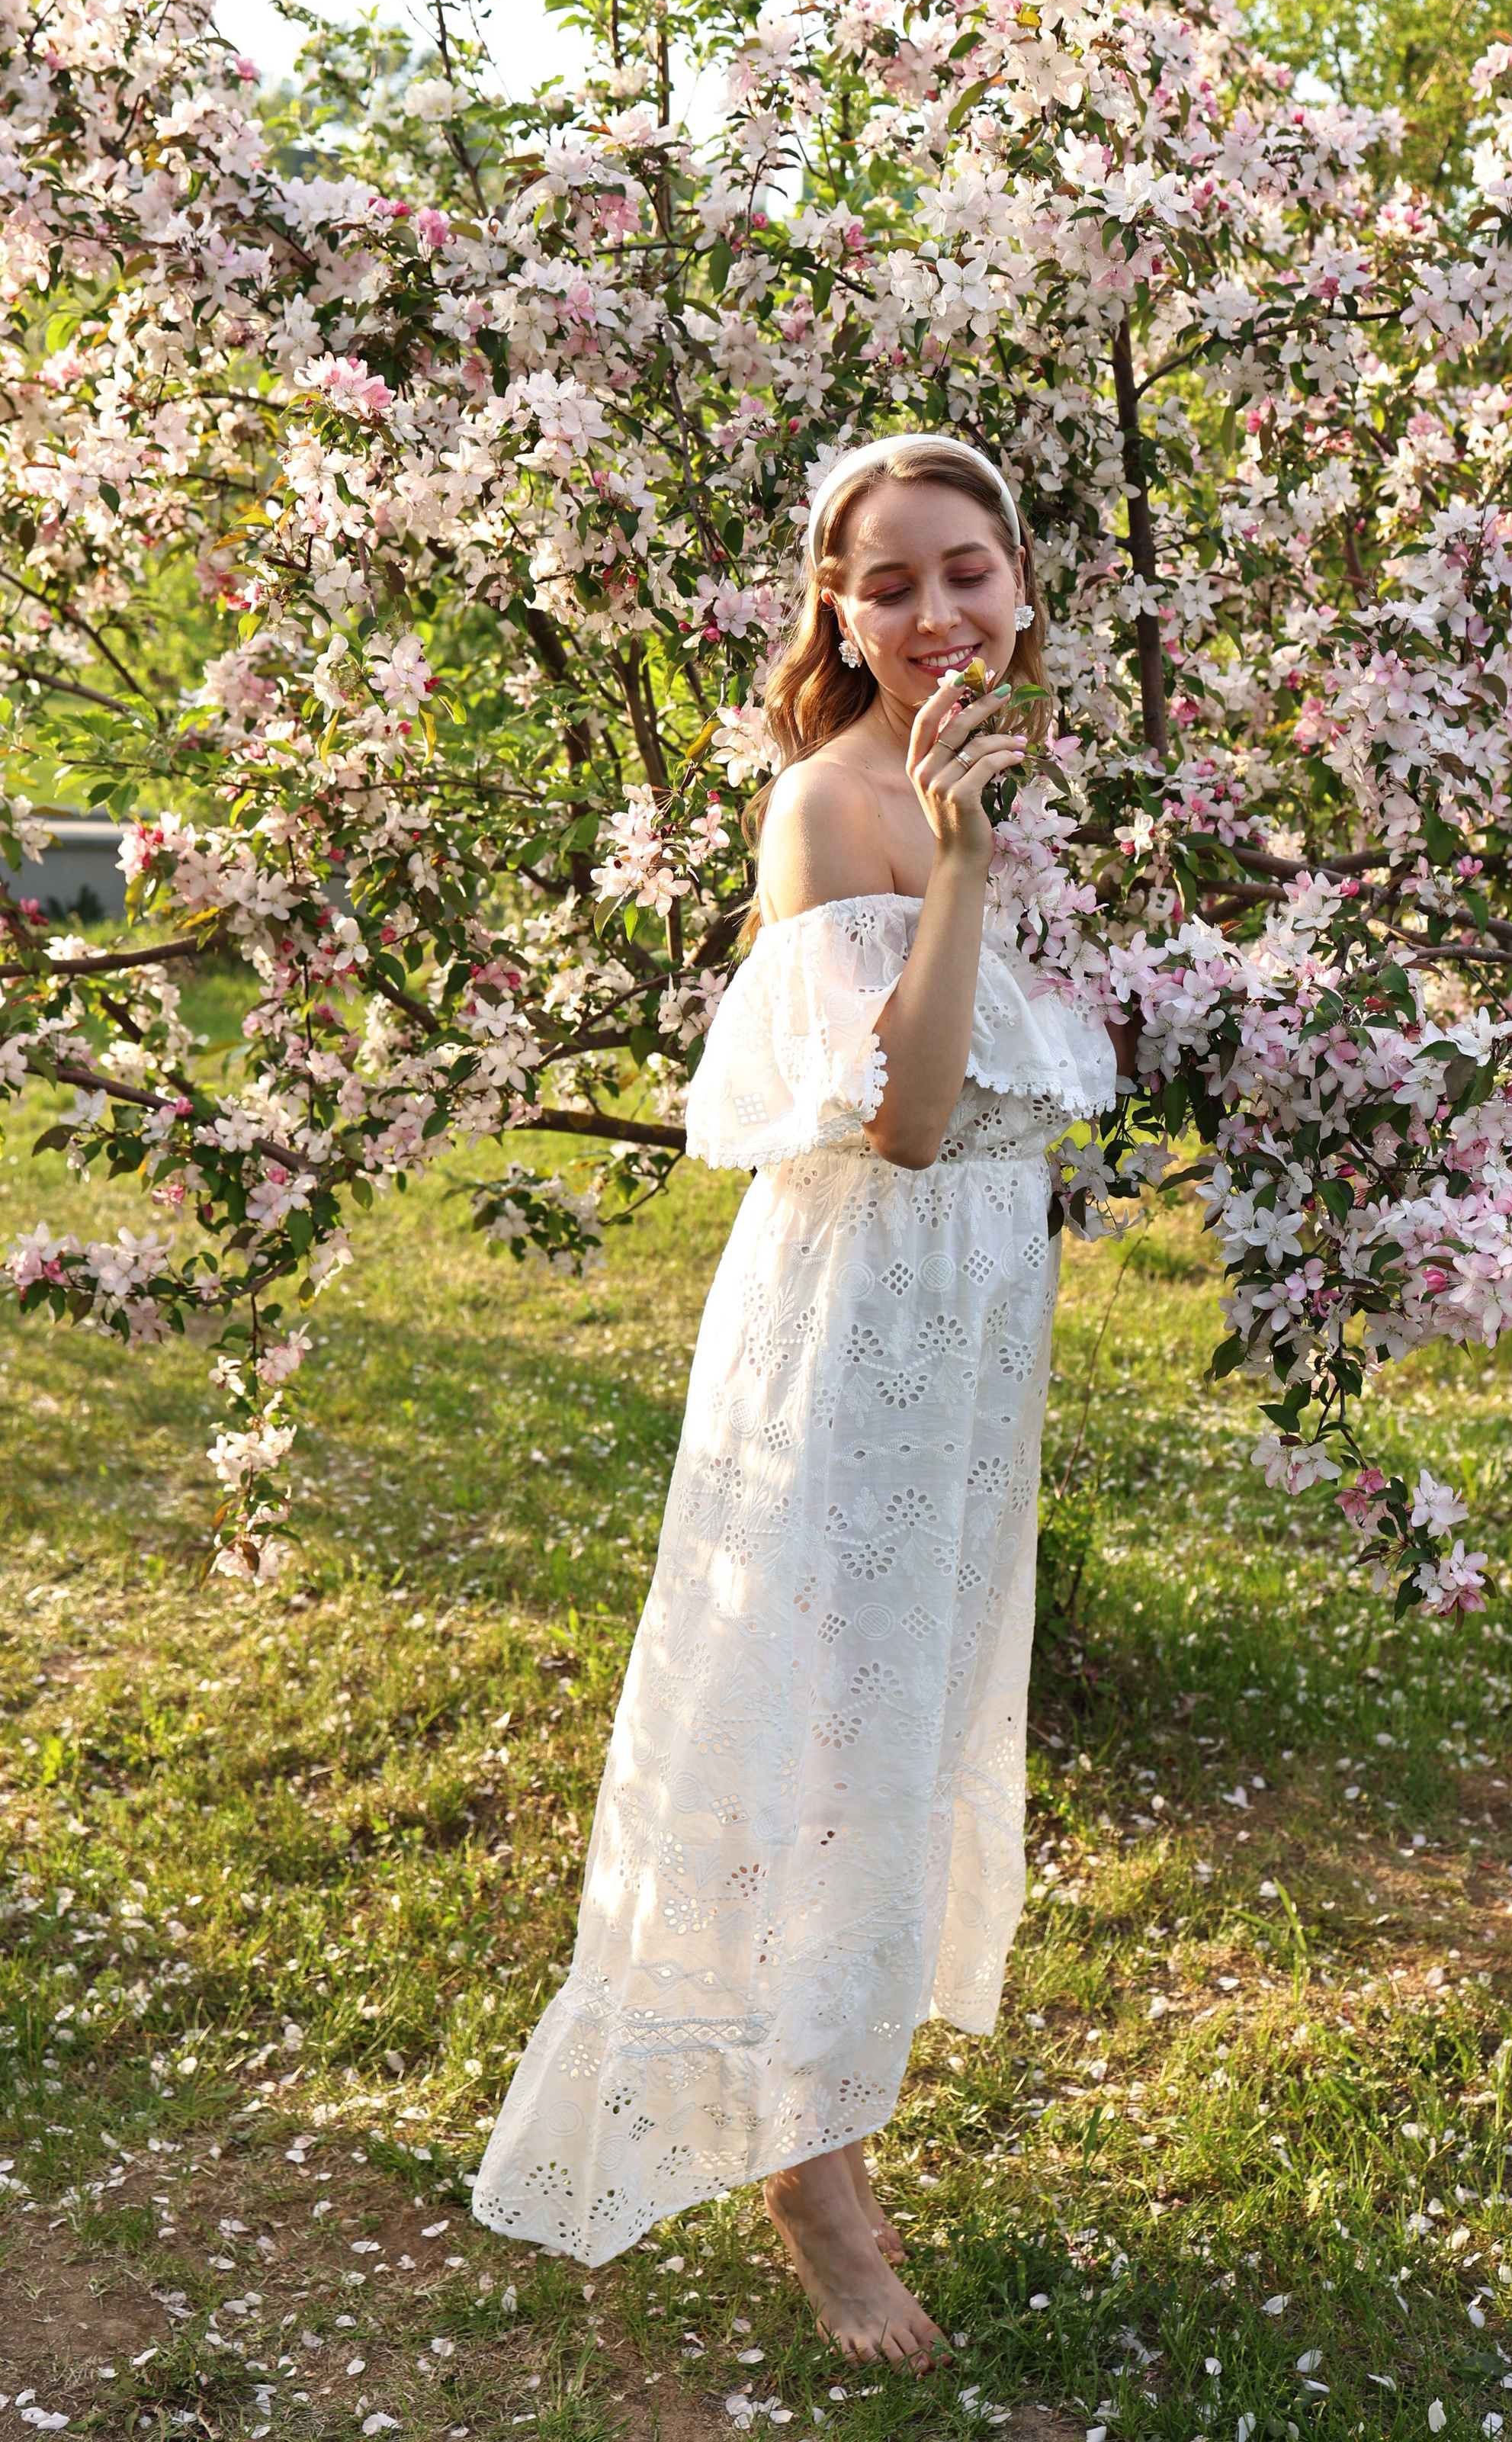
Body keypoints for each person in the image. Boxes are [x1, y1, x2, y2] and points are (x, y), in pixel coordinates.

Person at [471, 432, 1120, 2363]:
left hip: (963, 1337)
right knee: (804, 1726)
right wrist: (962, 862)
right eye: (889, 583)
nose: (937, 613)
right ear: (835, 614)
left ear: (1020, 581)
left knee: (894, 1716)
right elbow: (906, 1124)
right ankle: (807, 2186)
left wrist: (989, 842)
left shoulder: (995, 775)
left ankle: (823, 2104)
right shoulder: (838, 806)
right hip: (854, 1326)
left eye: (967, 569)